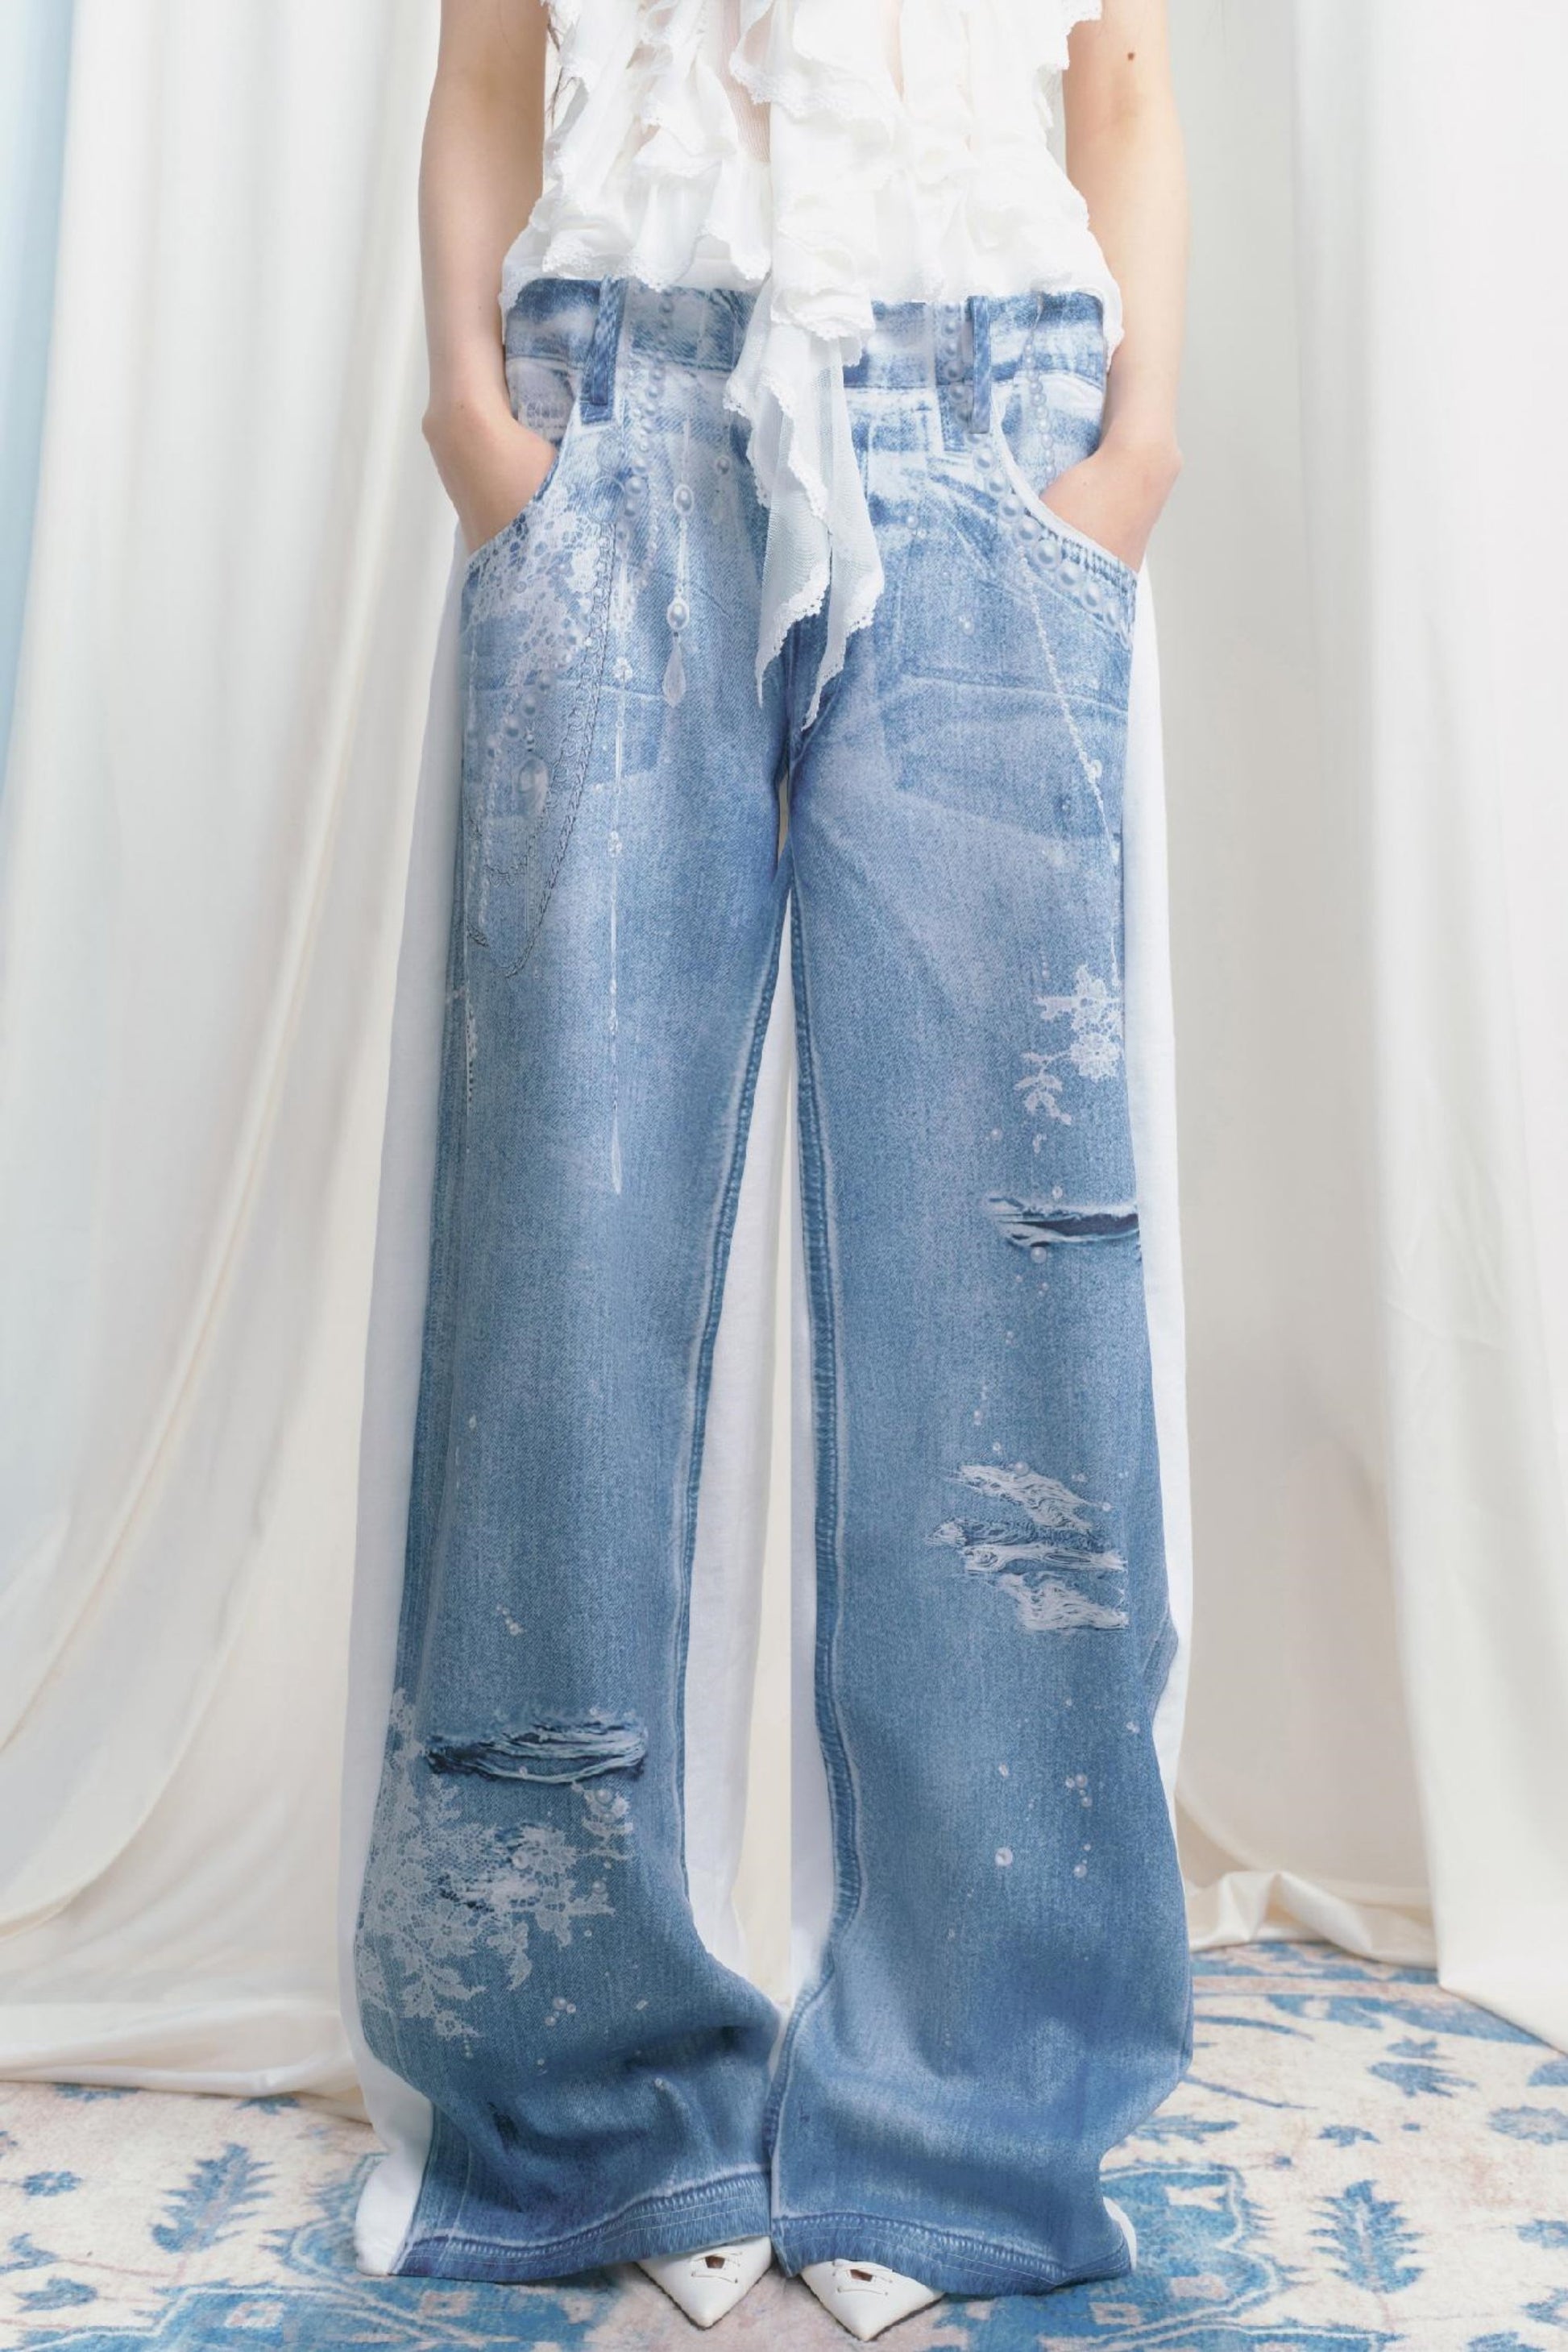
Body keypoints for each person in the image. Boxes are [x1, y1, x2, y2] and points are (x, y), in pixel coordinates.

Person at [351, 0, 1192, 2336]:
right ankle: (581, 2110)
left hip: (995, 406)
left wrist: (1133, 456)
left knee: (999, 1268)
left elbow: (1123, 65)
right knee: (565, 1239)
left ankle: (970, 2121)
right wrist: (472, 420)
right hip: (619, 399)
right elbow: (483, 55)